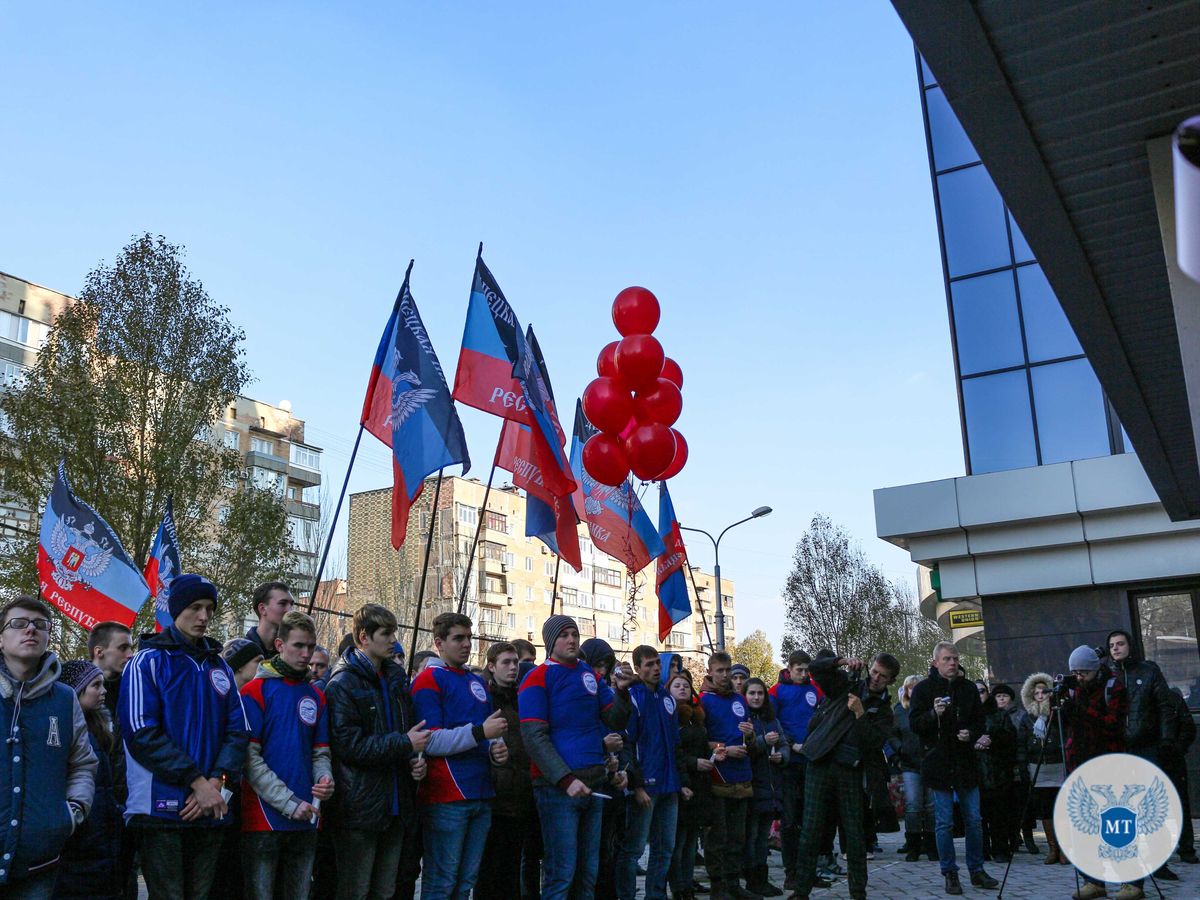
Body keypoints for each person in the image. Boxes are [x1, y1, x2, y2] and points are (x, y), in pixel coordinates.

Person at [120, 574, 248, 900]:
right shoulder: (146, 662)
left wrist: (217, 781)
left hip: (210, 807)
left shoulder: (219, 666)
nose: (204, 617)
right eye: (195, 607)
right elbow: (141, 733)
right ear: (176, 610)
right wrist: (196, 782)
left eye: (209, 608)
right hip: (158, 809)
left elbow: (238, 730)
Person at [519, 615, 634, 900]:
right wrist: (565, 779)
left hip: (594, 785)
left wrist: (621, 690)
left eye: (575, 634)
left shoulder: (589, 674)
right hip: (558, 790)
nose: (571, 639)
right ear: (550, 642)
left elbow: (615, 719)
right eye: (564, 635)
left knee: (588, 872)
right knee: (561, 873)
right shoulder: (536, 677)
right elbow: (534, 737)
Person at [323, 604, 429, 900]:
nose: (393, 640)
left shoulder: (395, 680)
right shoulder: (342, 684)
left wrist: (413, 762)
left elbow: (404, 732)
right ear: (363, 637)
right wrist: (405, 744)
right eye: (386, 633)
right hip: (359, 808)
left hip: (395, 804)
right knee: (355, 891)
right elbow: (349, 746)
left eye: (394, 632)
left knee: (385, 891)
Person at [0, 596, 97, 898]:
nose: (30, 629)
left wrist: (71, 813)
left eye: (40, 625)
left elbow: (82, 762)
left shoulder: (65, 698)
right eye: (18, 623)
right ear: (1, 638)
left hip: (39, 861)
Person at [411, 612, 508, 899]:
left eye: (469, 637)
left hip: (481, 791)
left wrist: (495, 750)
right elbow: (430, 740)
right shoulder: (428, 680)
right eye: (458, 638)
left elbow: (488, 732)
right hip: (446, 795)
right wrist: (481, 734)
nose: (466, 644)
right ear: (439, 643)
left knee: (466, 882)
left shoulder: (476, 681)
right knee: (442, 881)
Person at [239, 610, 334, 900]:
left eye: (310, 646)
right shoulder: (255, 691)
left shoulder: (316, 695)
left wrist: (325, 779)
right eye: (298, 645)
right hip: (263, 818)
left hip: (307, 816)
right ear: (280, 646)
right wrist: (288, 803)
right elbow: (249, 760)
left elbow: (320, 752)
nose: (306, 653)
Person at [789, 651, 898, 900]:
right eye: (874, 672)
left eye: (883, 677)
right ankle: (801, 891)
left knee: (854, 834)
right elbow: (816, 669)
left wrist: (860, 714)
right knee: (810, 831)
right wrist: (841, 661)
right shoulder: (846, 685)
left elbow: (872, 743)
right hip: (820, 762)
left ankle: (857, 892)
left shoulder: (884, 711)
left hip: (850, 770)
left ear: (890, 681)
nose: (876, 678)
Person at [909, 643, 998, 896]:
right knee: (944, 822)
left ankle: (977, 870)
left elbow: (980, 722)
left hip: (965, 763)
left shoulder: (969, 688)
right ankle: (950, 872)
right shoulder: (923, 690)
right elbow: (914, 724)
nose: (952, 663)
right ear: (935, 661)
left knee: (974, 820)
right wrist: (933, 714)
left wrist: (971, 734)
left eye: (955, 658)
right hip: (938, 763)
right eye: (947, 658)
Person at [1054, 645, 1136, 900]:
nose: (1078, 677)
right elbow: (1066, 726)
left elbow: (1112, 724)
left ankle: (1131, 882)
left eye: (1083, 673)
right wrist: (1060, 708)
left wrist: (1080, 709)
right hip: (1080, 762)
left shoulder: (1114, 687)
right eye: (1075, 673)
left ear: (1094, 669)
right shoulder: (1075, 689)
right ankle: (1094, 880)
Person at [615, 646, 682, 900]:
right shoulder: (633, 697)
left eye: (657, 664)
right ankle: (626, 896)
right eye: (649, 665)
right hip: (645, 786)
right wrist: (637, 785)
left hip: (669, 785)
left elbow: (675, 744)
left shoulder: (667, 698)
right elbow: (628, 744)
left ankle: (656, 895)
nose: (655, 668)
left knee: (665, 848)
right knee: (633, 849)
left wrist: (680, 782)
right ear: (638, 669)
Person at [53, 660, 121, 900]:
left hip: (100, 839)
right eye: (95, 685)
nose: (103, 691)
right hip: (79, 842)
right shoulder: (64, 731)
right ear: (76, 688)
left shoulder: (99, 731)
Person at [477, 642, 534, 900]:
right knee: (490, 870)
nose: (513, 667)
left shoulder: (522, 697)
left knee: (511, 868)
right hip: (495, 795)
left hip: (520, 793)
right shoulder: (484, 698)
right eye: (506, 663)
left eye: (515, 662)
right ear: (491, 666)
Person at [698, 651, 755, 900]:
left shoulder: (740, 700)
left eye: (727, 670)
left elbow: (747, 736)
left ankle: (734, 884)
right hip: (717, 779)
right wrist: (722, 749)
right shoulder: (702, 701)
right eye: (719, 670)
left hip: (741, 777)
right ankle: (718, 888)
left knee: (737, 837)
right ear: (710, 671)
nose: (724, 675)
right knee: (717, 837)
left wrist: (750, 735)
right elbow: (698, 742)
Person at [86, 621, 136, 899]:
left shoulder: (135, 690)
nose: (130, 654)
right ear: (99, 651)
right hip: (89, 813)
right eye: (123, 647)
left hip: (126, 806)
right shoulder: (69, 693)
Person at [211, 637, 263, 900]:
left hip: (241, 799)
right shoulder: (223, 702)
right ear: (240, 666)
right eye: (257, 662)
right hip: (220, 794)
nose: (262, 667)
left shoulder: (252, 699)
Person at [769, 650, 820, 888]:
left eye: (806, 670)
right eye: (799, 669)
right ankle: (791, 872)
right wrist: (789, 744)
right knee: (789, 821)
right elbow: (772, 722)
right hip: (790, 764)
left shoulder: (815, 690)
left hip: (812, 762)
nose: (803, 674)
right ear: (789, 669)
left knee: (810, 819)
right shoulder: (777, 691)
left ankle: (809, 869)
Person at [582, 638, 625, 900]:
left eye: (605, 666)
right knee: (589, 855)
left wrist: (618, 763)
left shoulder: (607, 693)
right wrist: (601, 746)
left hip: (611, 779)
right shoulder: (580, 692)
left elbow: (622, 729)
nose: (601, 671)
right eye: (596, 665)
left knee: (610, 851)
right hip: (586, 780)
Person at [667, 671, 712, 900]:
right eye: (677, 685)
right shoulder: (668, 717)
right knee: (678, 841)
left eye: (686, 685)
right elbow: (672, 753)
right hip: (679, 784)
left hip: (699, 785)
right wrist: (694, 763)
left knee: (690, 841)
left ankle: (687, 883)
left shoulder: (696, 717)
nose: (683, 688)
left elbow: (702, 746)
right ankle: (679, 887)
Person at [1105, 630, 1174, 765]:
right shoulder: (1106, 675)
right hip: (1117, 747)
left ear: (1130, 646)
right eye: (1111, 645)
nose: (1115, 648)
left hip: (1147, 745)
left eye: (1120, 644)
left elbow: (1165, 706)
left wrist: (1167, 739)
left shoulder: (1148, 671)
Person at [745, 677, 787, 897]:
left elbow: (783, 743)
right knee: (751, 837)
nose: (756, 697)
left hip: (770, 786)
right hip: (752, 786)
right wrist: (763, 742)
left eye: (760, 693)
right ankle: (752, 880)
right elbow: (746, 748)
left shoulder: (771, 719)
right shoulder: (744, 718)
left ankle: (761, 879)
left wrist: (782, 756)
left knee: (762, 838)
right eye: (752, 693)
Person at [1020, 672, 1066, 865]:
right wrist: (1023, 767)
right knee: (1045, 810)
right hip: (1037, 766)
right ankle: (1053, 848)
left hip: (1058, 764)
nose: (1040, 695)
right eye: (1037, 692)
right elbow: (1021, 744)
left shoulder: (1058, 713)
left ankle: (1064, 849)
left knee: (1061, 808)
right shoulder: (1027, 718)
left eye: (1044, 692)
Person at [891, 674, 934, 862]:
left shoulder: (931, 710)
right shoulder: (899, 711)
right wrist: (899, 749)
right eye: (910, 688)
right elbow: (891, 735)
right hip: (910, 764)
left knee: (932, 806)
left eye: (917, 687)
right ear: (906, 691)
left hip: (930, 761)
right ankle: (913, 845)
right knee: (913, 805)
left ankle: (932, 845)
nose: (914, 691)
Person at [975, 681, 1018, 863]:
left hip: (998, 772)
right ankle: (982, 850)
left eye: (983, 691)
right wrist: (974, 742)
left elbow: (1011, 739)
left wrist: (992, 740)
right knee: (978, 817)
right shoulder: (967, 715)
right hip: (975, 772)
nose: (980, 694)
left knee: (999, 815)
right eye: (975, 692)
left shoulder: (1000, 715)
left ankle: (1001, 849)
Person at [1162, 687, 1197, 865]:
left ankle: (1185, 847)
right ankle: (1184, 847)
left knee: (1179, 803)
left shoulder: (1171, 698)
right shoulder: (1170, 697)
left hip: (1169, 756)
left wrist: (1177, 748)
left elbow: (1188, 727)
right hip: (1164, 754)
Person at [987, 683, 1022, 859]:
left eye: (1004, 696)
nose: (1001, 698)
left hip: (1002, 769)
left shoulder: (1007, 716)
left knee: (1005, 810)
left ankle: (1008, 843)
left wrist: (991, 739)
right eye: (997, 695)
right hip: (981, 770)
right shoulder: (974, 715)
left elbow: (1013, 740)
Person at [244, 581, 295, 659]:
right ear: (262, 609)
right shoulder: (242, 652)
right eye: (282, 603)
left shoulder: (290, 652)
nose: (290, 610)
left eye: (291, 604)